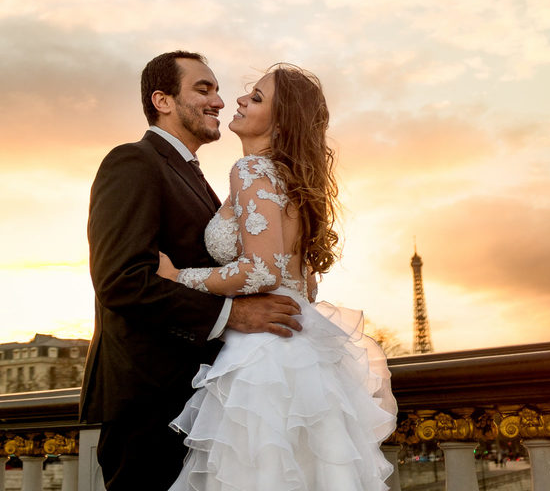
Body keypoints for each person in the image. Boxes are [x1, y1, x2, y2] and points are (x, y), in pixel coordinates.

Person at [157, 64, 398, 491]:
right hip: (302, 351)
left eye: (257, 98)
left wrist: (179, 276)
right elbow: (301, 284)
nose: (240, 100)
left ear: (281, 122)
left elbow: (262, 271)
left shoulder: (250, 171)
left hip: (264, 355)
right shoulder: (291, 181)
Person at [80, 51, 305, 491]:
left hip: (203, 395)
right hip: (150, 401)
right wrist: (233, 316)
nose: (220, 101)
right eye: (204, 89)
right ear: (162, 100)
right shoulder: (132, 162)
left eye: (218, 90)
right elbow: (121, 281)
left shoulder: (199, 177)